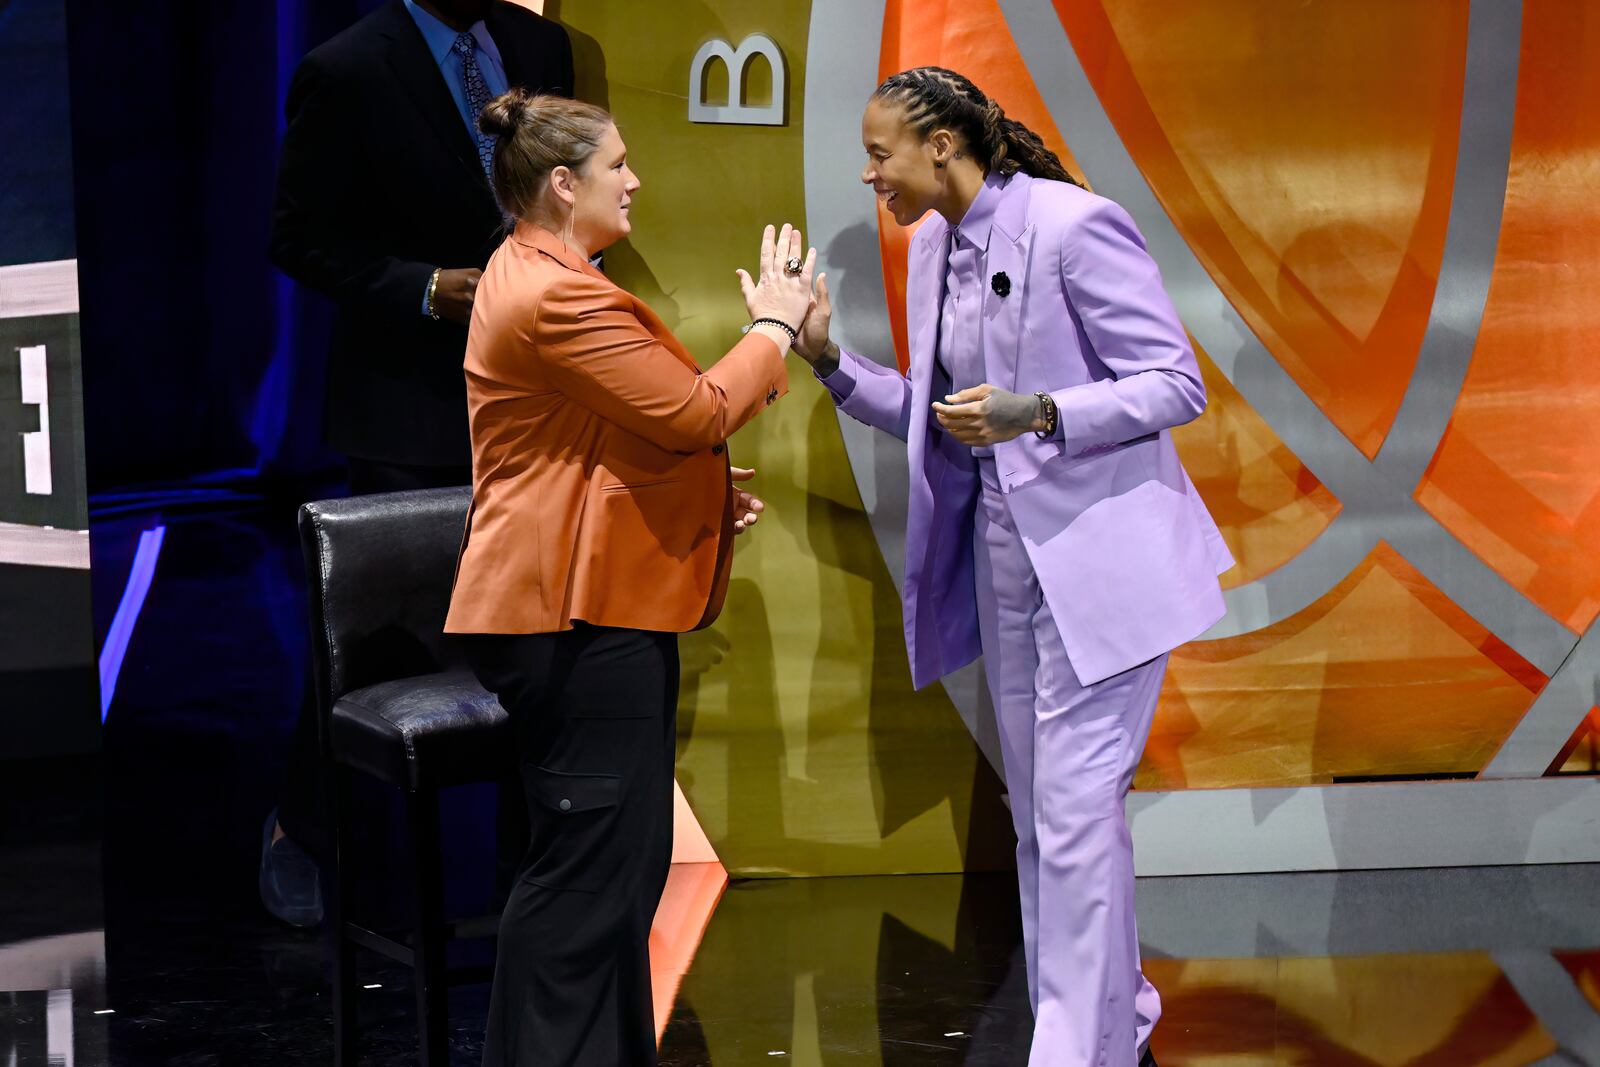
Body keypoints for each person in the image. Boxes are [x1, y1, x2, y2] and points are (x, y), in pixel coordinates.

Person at [792, 67, 1234, 1067]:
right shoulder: (933, 249)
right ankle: (1101, 1026)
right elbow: (938, 415)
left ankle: (1073, 1051)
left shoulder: (1075, 226)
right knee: (1045, 818)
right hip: (1005, 556)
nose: (872, 178)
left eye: (880, 155)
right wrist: (828, 360)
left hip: (1103, 559)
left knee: (1073, 811)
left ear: (941, 145)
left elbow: (1175, 383)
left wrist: (1038, 412)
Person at [444, 89, 813, 1065]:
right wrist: (773, 327)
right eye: (618, 165)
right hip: (563, 616)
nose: (636, 179)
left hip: (580, 603)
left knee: (617, 871)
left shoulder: (533, 269)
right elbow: (693, 411)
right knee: (584, 882)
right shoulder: (555, 292)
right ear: (564, 185)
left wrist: (688, 494)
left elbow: (589, 435)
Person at [260, 0, 573, 926]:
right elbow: (298, 238)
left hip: (534, 396)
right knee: (385, 637)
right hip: (410, 402)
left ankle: (534, 854)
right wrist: (428, 289)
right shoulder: (348, 69)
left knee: (543, 622)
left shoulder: (540, 46)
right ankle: (303, 828)